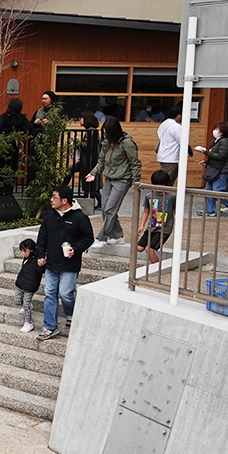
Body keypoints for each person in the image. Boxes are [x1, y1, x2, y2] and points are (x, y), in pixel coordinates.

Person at [34, 186, 94, 340]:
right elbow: (42, 238)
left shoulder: (80, 218)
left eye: (54, 197)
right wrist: (40, 255)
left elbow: (88, 238)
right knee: (50, 294)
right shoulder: (49, 216)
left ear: (64, 200)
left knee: (66, 294)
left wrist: (76, 249)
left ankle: (71, 313)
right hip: (51, 263)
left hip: (69, 264)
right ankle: (49, 327)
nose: (51, 200)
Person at [86, 116, 142, 248]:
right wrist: (93, 173)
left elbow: (135, 163)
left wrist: (135, 182)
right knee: (105, 209)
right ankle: (118, 236)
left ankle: (101, 238)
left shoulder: (127, 143)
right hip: (109, 178)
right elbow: (101, 160)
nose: (105, 135)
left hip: (123, 179)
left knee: (110, 209)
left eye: (107, 133)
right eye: (104, 132)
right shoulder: (107, 143)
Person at [0, 98, 34, 196]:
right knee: (12, 168)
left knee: (0, 167)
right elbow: (30, 126)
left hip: (2, 144)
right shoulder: (21, 118)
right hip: (13, 145)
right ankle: (8, 191)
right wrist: (20, 130)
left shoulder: (4, 116)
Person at [136, 169, 176, 266]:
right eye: (156, 185)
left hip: (164, 229)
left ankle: (157, 268)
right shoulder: (149, 196)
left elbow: (176, 211)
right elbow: (146, 211)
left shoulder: (171, 196)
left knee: (149, 250)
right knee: (139, 248)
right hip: (152, 226)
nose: (158, 188)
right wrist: (142, 225)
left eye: (161, 185)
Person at [194, 122, 228, 216]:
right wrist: (207, 161)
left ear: (221, 132)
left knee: (218, 192)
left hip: (221, 170)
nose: (215, 131)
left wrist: (206, 152)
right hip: (216, 169)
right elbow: (217, 156)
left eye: (217, 129)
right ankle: (209, 210)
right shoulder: (217, 141)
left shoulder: (223, 142)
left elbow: (221, 156)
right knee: (209, 190)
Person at [65, 111, 102, 206]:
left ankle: (63, 188)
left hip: (89, 161)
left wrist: (76, 142)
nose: (80, 120)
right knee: (92, 184)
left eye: (81, 118)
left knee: (72, 171)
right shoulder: (91, 131)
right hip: (88, 160)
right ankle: (99, 201)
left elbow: (87, 146)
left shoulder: (91, 132)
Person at [13, 237, 44, 334]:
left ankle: (28, 323)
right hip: (21, 284)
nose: (22, 253)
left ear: (28, 250)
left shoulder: (38, 260)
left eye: (23, 251)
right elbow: (23, 270)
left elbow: (40, 271)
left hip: (30, 287)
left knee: (26, 305)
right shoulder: (26, 259)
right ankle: (28, 305)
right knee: (17, 301)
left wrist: (42, 265)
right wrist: (18, 278)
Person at [156, 106, 190, 184]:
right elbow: (182, 140)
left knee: (172, 176)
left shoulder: (163, 124)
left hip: (163, 153)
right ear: (178, 115)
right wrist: (189, 150)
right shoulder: (176, 126)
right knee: (165, 180)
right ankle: (162, 191)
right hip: (170, 156)